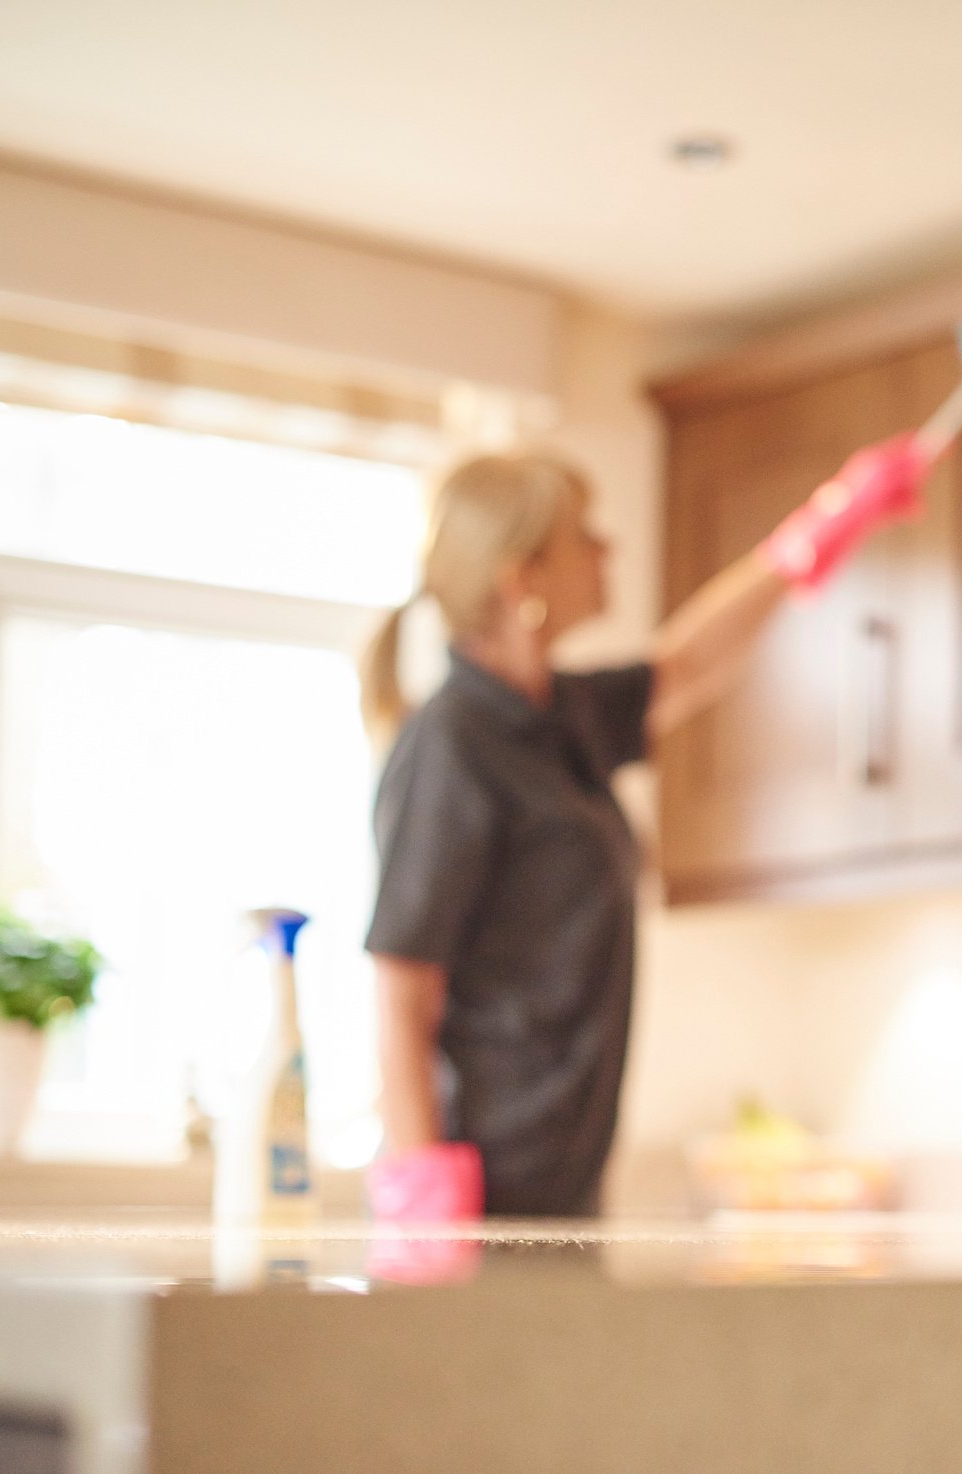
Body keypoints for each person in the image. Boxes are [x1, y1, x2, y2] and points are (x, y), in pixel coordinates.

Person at [359, 434, 929, 1218]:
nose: (607, 547)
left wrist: (827, 524)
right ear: (524, 577)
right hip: (483, 1195)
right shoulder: (454, 743)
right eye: (584, 537)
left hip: (563, 1183)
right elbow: (402, 993)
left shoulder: (558, 719)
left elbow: (687, 662)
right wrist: (424, 1204)